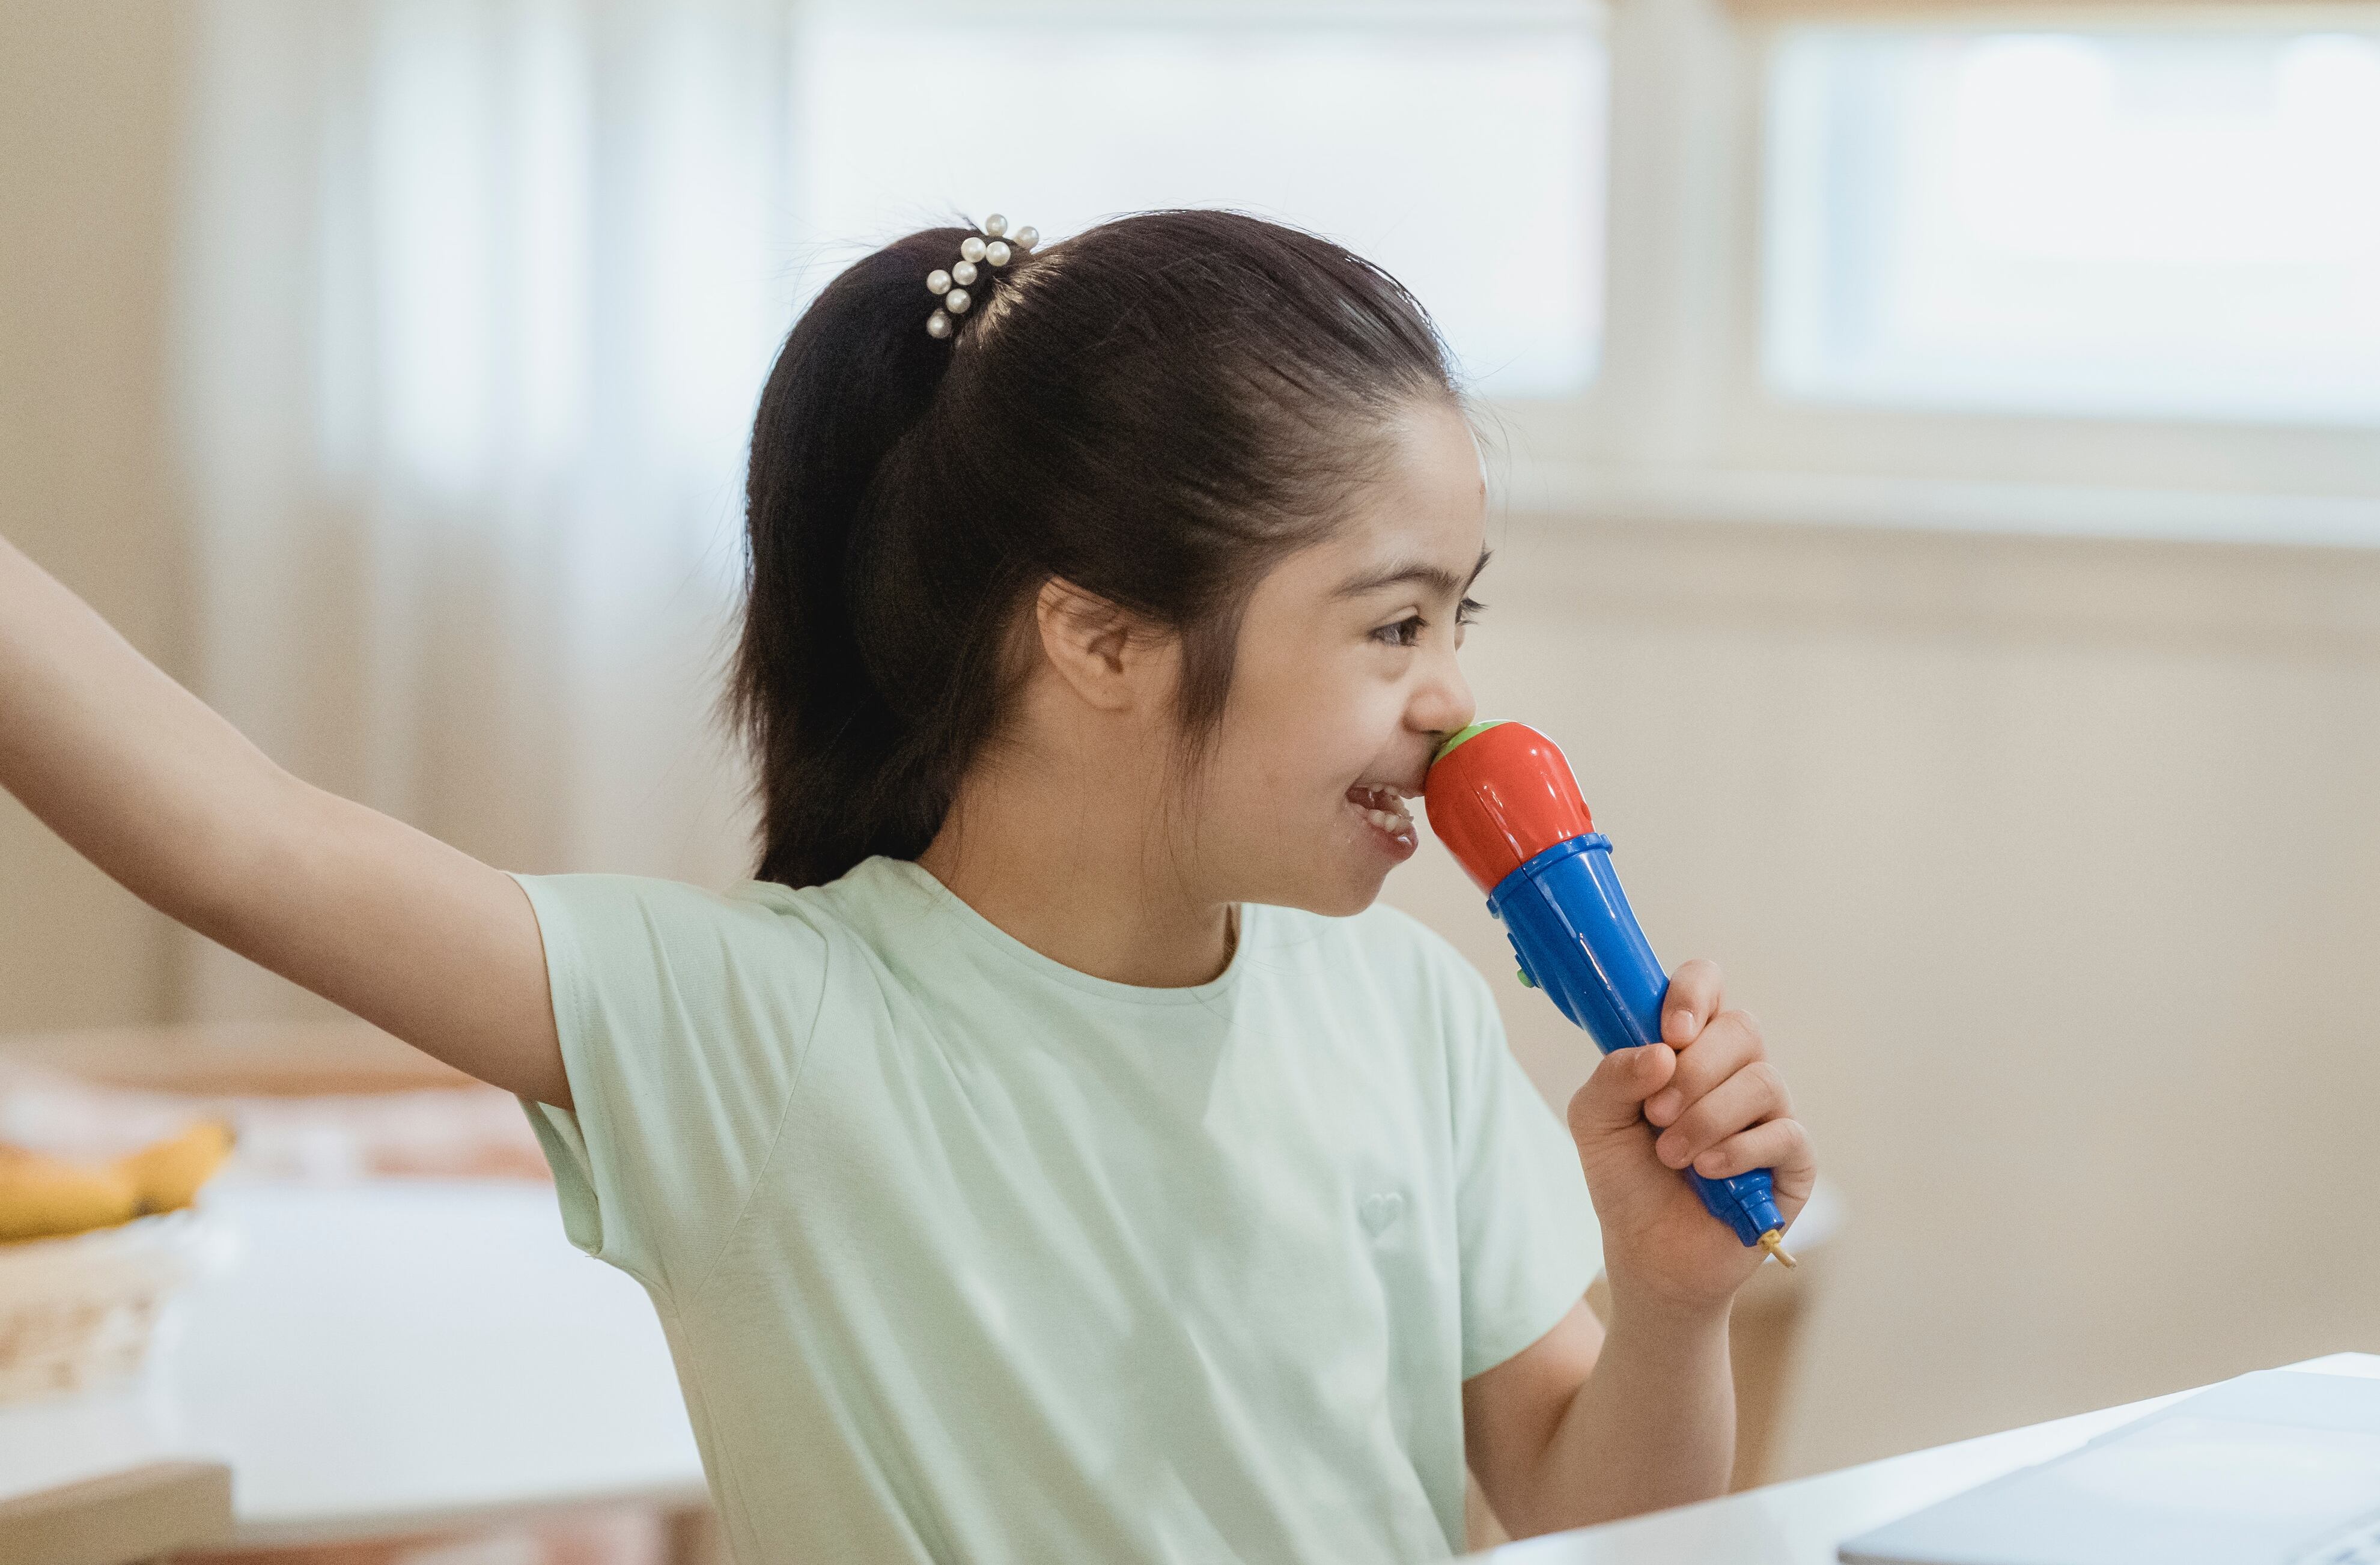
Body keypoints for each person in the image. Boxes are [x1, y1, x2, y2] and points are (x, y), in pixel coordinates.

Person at [0, 208, 1815, 1563]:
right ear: (1103, 639)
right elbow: (245, 840)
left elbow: (1598, 1521)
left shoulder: (1404, 1014)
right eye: (1394, 625)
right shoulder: (760, 1030)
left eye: (1458, 617)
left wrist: (1668, 1304)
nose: (1455, 703)